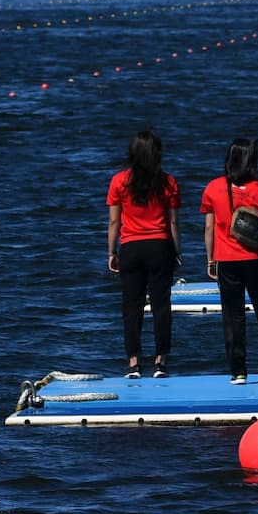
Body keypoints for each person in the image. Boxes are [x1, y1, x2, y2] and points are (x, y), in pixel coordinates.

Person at [201, 136, 258, 385]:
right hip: (255, 259)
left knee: (232, 317)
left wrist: (211, 259)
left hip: (226, 260)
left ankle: (238, 372)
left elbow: (209, 228)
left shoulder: (213, 188)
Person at [106, 129, 182, 379]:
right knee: (161, 306)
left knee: (131, 307)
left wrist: (111, 252)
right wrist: (177, 251)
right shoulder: (168, 182)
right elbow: (173, 223)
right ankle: (160, 361)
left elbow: (114, 222)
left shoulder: (119, 181)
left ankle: (133, 362)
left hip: (131, 247)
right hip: (159, 246)